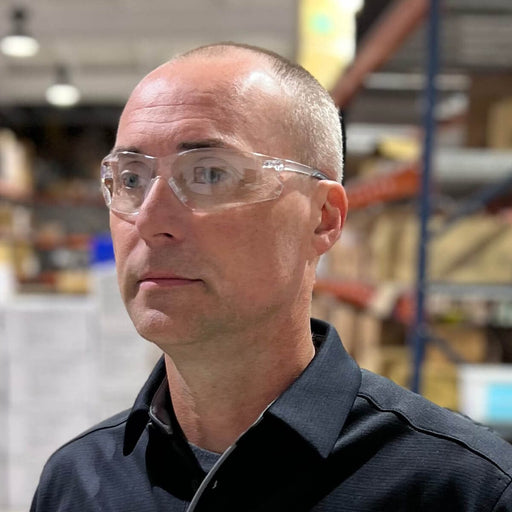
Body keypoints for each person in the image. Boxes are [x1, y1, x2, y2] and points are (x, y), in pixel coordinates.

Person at [31, 42, 512, 512]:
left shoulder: (464, 490)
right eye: (131, 179)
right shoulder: (75, 483)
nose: (150, 219)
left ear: (322, 218)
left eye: (210, 174)